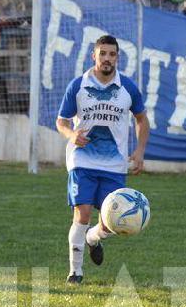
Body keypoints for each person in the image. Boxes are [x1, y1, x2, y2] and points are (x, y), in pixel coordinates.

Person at [55, 35, 149, 284]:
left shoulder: (127, 87)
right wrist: (71, 134)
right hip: (82, 161)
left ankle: (93, 238)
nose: (107, 58)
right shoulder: (78, 85)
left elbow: (142, 119)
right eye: (103, 53)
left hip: (114, 164)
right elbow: (61, 121)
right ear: (93, 56)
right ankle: (75, 272)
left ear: (117, 57)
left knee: (111, 223)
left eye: (112, 54)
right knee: (82, 212)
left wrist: (139, 151)